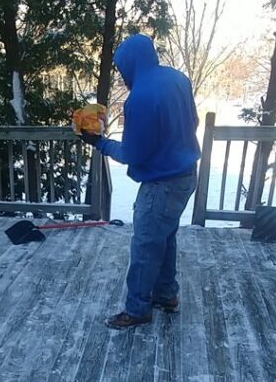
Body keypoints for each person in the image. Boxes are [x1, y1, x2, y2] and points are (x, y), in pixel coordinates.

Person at [82, 34, 200, 330]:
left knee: (146, 245)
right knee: (165, 235)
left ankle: (137, 309)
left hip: (161, 185)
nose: (122, 78)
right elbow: (194, 121)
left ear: (131, 65)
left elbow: (133, 154)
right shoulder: (177, 78)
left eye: (122, 70)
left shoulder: (141, 98)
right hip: (187, 176)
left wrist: (98, 142)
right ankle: (166, 294)